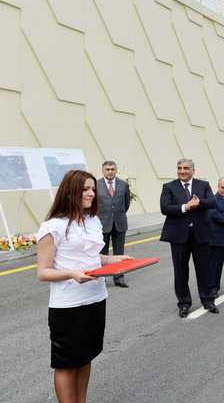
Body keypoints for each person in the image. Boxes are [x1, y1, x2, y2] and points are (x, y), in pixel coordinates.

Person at [36, 169, 132, 403]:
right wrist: (72, 274)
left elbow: (91, 258)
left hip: (96, 298)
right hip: (68, 305)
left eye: (92, 189)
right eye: (85, 189)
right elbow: (43, 272)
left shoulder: (92, 221)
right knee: (67, 362)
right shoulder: (53, 226)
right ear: (70, 193)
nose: (91, 193)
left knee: (86, 357)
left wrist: (112, 260)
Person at [160, 158, 219, 318]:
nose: (182, 171)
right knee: (180, 271)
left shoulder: (203, 185)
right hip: (179, 236)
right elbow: (164, 208)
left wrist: (199, 203)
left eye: (186, 168)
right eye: (179, 168)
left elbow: (213, 202)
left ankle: (208, 301)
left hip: (200, 234)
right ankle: (184, 304)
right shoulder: (169, 187)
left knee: (204, 270)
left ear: (193, 170)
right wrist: (184, 207)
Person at [97, 161, 131, 287]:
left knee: (119, 253)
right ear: (103, 171)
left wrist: (118, 214)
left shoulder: (123, 184)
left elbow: (126, 203)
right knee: (102, 252)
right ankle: (101, 278)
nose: (110, 171)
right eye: (107, 169)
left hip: (119, 222)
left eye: (112, 169)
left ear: (116, 170)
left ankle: (119, 278)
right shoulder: (96, 184)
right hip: (102, 223)